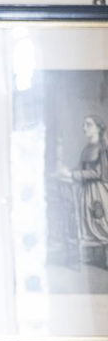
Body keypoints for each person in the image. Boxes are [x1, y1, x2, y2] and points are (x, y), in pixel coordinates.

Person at [58, 114, 108, 267]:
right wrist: (69, 171)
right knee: (88, 223)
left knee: (101, 223)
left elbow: (99, 174)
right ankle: (94, 257)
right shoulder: (87, 148)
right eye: (84, 124)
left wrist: (73, 174)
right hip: (86, 192)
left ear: (98, 128)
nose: (84, 128)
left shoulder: (102, 149)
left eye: (88, 124)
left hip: (99, 192)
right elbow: (80, 168)